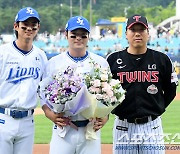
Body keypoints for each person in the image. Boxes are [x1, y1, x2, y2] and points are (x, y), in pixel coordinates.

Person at [107, 14, 179, 154]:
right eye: (133, 30)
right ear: (126, 34)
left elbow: (171, 90)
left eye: (142, 29)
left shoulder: (161, 59)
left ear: (148, 34)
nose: (137, 33)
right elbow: (103, 92)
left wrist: (157, 107)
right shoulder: (113, 59)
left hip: (152, 126)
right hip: (123, 125)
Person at [40, 16, 109, 154]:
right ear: (66, 34)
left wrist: (105, 116)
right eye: (74, 34)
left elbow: (108, 95)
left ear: (88, 36)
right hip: (63, 130)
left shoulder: (100, 62)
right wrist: (50, 114)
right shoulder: (54, 63)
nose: (78, 38)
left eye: (83, 35)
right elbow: (43, 95)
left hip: (90, 130)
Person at [0, 7, 47, 154]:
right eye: (25, 23)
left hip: (28, 121)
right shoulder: (3, 53)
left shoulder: (41, 56)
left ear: (38, 27)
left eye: (33, 24)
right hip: (3, 118)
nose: (29, 27)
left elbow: (45, 89)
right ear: (16, 26)